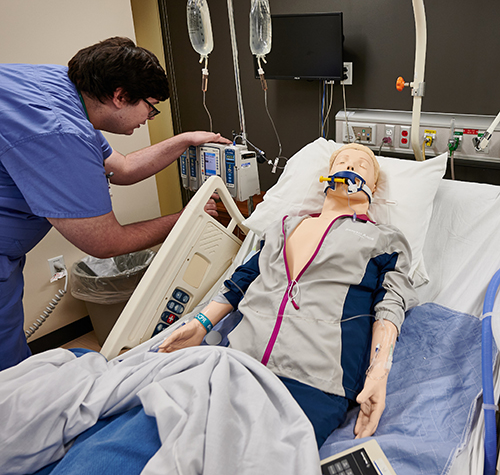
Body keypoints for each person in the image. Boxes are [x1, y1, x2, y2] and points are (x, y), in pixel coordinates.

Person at [159, 143, 418, 446]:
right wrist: (201, 322)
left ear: (374, 187)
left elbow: (391, 305)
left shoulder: (383, 239)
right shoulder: (283, 227)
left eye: (362, 165)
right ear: (326, 177)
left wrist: (378, 372)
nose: (350, 166)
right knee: (180, 438)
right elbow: (242, 279)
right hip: (238, 360)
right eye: (342, 161)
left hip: (314, 381)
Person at [0, 36, 230, 371]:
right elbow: (106, 242)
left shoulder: (58, 87)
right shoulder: (62, 134)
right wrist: (187, 218)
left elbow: (120, 168)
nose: (150, 117)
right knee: (10, 377)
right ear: (121, 96)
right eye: (150, 107)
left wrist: (183, 140)